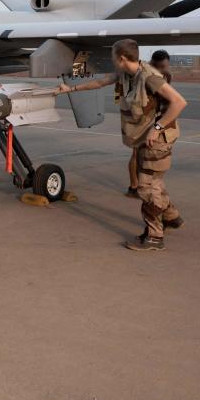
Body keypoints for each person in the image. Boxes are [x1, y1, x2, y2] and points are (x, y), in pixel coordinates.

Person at [56, 39, 187, 251]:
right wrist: (69, 89)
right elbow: (99, 83)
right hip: (145, 138)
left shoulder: (149, 77)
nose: (112, 60)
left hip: (157, 141)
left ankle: (154, 236)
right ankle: (172, 217)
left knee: (146, 187)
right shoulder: (126, 74)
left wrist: (158, 127)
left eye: (113, 57)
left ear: (122, 58)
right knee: (155, 182)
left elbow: (179, 102)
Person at [125, 50, 174, 197]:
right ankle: (133, 186)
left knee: (146, 152)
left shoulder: (165, 75)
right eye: (162, 66)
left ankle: (144, 184)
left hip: (153, 115)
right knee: (135, 152)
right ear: (154, 63)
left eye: (165, 66)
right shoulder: (142, 72)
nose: (164, 69)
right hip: (139, 115)